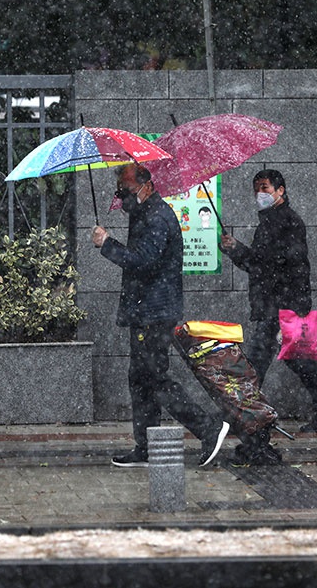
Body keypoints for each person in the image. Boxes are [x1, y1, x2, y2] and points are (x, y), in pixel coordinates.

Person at [92, 164, 229, 468]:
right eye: (120, 191)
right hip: (145, 312)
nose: (123, 197)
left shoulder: (157, 217)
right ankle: (146, 447)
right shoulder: (145, 214)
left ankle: (208, 428)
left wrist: (107, 245)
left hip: (155, 314)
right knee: (140, 380)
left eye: (127, 190)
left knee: (153, 379)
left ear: (146, 185)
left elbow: (144, 262)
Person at [220, 169, 317, 460]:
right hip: (274, 306)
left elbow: (282, 265)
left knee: (254, 369)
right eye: (256, 189)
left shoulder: (289, 222)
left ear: (280, 190)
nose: (259, 194)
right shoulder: (269, 222)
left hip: (280, 308)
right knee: (300, 362)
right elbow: (261, 265)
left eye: (264, 188)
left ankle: (253, 433)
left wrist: (293, 309)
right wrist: (236, 250)